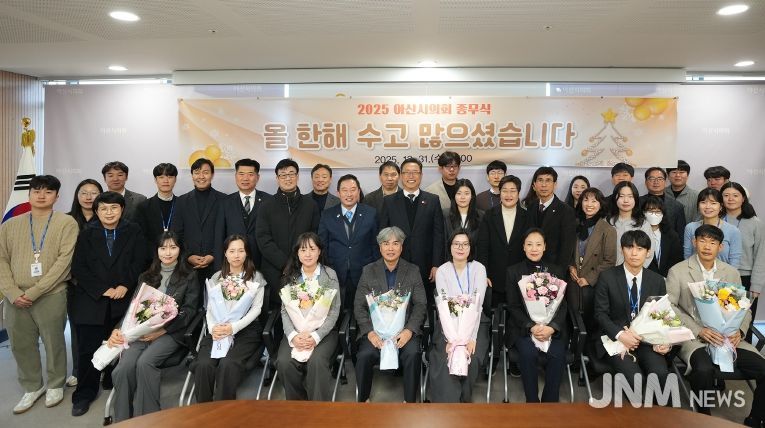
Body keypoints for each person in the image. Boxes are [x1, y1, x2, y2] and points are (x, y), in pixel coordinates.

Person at [666, 225, 765, 425]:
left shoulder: (731, 272)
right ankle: (703, 418)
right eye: (702, 240)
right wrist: (698, 330)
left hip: (729, 338)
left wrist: (740, 331)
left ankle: (755, 419)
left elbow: (744, 309)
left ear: (721, 247)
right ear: (694, 242)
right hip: (695, 338)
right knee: (703, 370)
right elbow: (669, 307)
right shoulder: (678, 271)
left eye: (712, 242)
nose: (707, 246)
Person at [0, 175, 78, 414]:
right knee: (21, 344)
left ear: (57, 196)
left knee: (54, 342)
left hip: (51, 293)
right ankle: (32, 386)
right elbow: (1, 259)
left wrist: (34, 292)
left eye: (48, 191)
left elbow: (64, 262)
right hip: (15, 296)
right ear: (29, 194)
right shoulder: (10, 224)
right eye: (36, 191)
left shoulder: (66, 223)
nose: (41, 195)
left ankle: (55, 384)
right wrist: (12, 292)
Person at [70, 191, 149, 416]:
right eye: (103, 208)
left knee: (120, 345)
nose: (109, 212)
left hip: (123, 297)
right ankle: (84, 394)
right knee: (88, 350)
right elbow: (79, 268)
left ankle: (111, 380)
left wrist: (125, 284)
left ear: (122, 210)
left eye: (114, 208)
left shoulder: (133, 230)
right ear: (96, 211)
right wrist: (102, 290)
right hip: (92, 298)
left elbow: (140, 260)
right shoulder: (87, 233)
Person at [110, 231, 199, 422]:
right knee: (123, 368)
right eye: (163, 248)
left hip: (170, 333)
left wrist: (162, 330)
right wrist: (118, 329)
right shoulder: (146, 276)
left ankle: (149, 419)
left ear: (180, 250)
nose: (168, 252)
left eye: (173, 247)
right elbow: (133, 308)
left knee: (145, 362)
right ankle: (122, 421)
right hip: (140, 332)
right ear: (157, 251)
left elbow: (189, 311)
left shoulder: (189, 276)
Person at [353, 226, 427, 403]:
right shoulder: (368, 271)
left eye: (395, 243)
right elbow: (359, 305)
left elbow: (420, 304)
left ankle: (409, 402)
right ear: (380, 247)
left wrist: (409, 330)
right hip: (376, 332)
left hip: (404, 332)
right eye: (386, 244)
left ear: (401, 247)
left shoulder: (413, 271)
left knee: (413, 354)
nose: (390, 248)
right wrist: (369, 332)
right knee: (364, 355)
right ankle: (362, 401)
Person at [594, 230, 670, 394]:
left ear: (648, 252)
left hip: (646, 341)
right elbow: (600, 314)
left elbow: (662, 316)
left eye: (640, 249)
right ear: (622, 250)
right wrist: (621, 335)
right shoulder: (607, 277)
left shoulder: (657, 280)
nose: (634, 253)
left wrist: (664, 341)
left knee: (660, 374)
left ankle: (657, 410)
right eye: (629, 247)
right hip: (615, 339)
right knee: (635, 379)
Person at [195, 235, 266, 402]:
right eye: (232, 251)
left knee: (228, 364)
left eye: (241, 251)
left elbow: (256, 309)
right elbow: (210, 308)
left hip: (246, 331)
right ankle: (202, 411)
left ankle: (224, 412)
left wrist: (233, 328)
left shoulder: (256, 277)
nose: (236, 255)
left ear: (247, 253)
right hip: (218, 329)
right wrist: (213, 328)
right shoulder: (216, 277)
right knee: (203, 365)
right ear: (225, 254)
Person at [276, 232, 341, 401]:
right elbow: (285, 310)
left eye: (312, 249)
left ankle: (318, 410)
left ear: (319, 251)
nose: (308, 254)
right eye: (303, 250)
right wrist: (293, 335)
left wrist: (316, 336)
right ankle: (299, 405)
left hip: (323, 333)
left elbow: (334, 311)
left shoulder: (329, 275)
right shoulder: (291, 276)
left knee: (317, 362)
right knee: (284, 362)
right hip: (296, 332)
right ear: (297, 253)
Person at [506, 228, 568, 402]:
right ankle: (532, 402)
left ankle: (550, 403)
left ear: (545, 247)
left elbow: (563, 306)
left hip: (550, 329)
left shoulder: (556, 271)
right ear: (523, 247)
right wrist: (531, 326)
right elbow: (513, 306)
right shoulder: (513, 271)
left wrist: (552, 328)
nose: (534, 248)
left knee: (557, 353)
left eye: (538, 244)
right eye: (530, 244)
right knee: (528, 353)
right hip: (523, 329)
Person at [429, 230, 488, 403]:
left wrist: (472, 338)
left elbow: (478, 305)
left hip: (476, 324)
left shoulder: (479, 269)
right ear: (450, 247)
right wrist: (453, 339)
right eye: (456, 244)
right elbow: (444, 307)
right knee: (446, 356)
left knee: (472, 357)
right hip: (448, 325)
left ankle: (464, 402)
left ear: (471, 247)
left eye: (465, 244)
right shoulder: (442, 271)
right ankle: (448, 406)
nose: (460, 248)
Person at [256, 158, 321, 309]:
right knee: (276, 313)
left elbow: (315, 236)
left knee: (305, 310)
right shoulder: (266, 205)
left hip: (304, 268)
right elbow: (263, 238)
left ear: (297, 176)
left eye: (291, 174)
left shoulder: (310, 204)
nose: (288, 178)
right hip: (274, 270)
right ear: (277, 178)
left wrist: (300, 261)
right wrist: (285, 263)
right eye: (283, 175)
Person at [379, 158, 444, 304]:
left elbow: (438, 235)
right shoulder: (389, 201)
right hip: (396, 263)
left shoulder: (432, 200)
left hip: (425, 266)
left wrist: (436, 265)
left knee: (424, 304)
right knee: (396, 304)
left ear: (421, 175)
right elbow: (382, 235)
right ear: (401, 176)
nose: (411, 176)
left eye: (415, 172)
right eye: (407, 172)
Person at [318, 174, 379, 309]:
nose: (349, 194)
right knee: (337, 313)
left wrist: (375, 271)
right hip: (336, 274)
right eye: (344, 190)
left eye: (353, 189)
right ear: (338, 193)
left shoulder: (370, 213)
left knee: (363, 313)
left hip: (364, 274)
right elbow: (322, 246)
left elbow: (375, 245)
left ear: (358, 191)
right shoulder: (327, 215)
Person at [65, 178, 103, 387]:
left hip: (102, 285)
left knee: (102, 329)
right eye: (84, 193)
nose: (88, 197)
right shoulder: (67, 220)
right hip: (75, 284)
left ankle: (102, 367)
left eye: (93, 193)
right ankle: (78, 370)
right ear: (77, 196)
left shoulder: (107, 218)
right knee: (78, 330)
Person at [172, 158, 227, 299]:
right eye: (197, 172)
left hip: (217, 264)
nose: (201, 176)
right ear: (192, 175)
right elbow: (176, 234)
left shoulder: (224, 200)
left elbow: (227, 233)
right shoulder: (181, 201)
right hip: (188, 266)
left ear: (212, 175)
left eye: (205, 172)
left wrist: (213, 255)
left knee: (216, 304)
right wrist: (188, 256)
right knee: (189, 304)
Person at [568, 187, 616, 336]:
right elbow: (567, 251)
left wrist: (588, 279)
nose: (589, 204)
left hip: (595, 282)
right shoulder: (574, 224)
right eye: (586, 200)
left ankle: (587, 344)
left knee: (590, 319)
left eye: (594, 201)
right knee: (571, 315)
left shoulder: (608, 230)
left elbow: (609, 261)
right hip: (573, 278)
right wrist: (570, 266)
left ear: (601, 204)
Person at [477, 175, 528, 308]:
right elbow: (482, 246)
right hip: (494, 278)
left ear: (518, 193)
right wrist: (483, 273)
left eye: (513, 191)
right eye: (505, 190)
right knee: (495, 315)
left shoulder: (527, 216)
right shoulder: (489, 215)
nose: (508, 195)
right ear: (500, 192)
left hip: (520, 278)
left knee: (517, 315)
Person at [215, 158, 272, 269]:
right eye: (241, 174)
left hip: (263, 263)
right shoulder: (225, 203)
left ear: (257, 177)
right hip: (233, 265)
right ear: (235, 176)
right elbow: (219, 237)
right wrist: (219, 268)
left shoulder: (269, 201)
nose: (245, 178)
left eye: (250, 174)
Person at [721, 181, 763, 329]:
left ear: (743, 198)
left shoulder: (756, 223)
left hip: (744, 278)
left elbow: (761, 255)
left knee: (742, 323)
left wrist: (756, 285)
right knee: (720, 321)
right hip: (718, 276)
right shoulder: (715, 219)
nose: (730, 199)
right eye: (726, 195)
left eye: (735, 195)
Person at [524, 166, 577, 267]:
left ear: (555, 184)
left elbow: (567, 247)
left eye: (548, 180)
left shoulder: (566, 211)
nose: (544, 185)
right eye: (540, 180)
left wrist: (559, 271)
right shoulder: (531, 207)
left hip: (553, 268)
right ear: (534, 185)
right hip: (530, 266)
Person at [683, 188, 742, 268]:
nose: (708, 207)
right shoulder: (690, 228)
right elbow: (687, 257)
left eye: (713, 203)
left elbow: (735, 261)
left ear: (721, 206)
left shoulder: (733, 231)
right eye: (703, 202)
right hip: (695, 273)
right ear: (698, 205)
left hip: (723, 274)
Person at [608, 181, 654, 267]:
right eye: (621, 196)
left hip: (634, 271)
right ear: (615, 198)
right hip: (608, 272)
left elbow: (649, 252)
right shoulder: (606, 222)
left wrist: (634, 271)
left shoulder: (643, 224)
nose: (626, 200)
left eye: (630, 196)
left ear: (635, 199)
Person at [135, 163, 180, 249]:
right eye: (161, 177)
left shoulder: (183, 204)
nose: (166, 181)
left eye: (170, 177)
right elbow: (140, 237)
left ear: (175, 179)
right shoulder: (144, 207)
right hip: (151, 254)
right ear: (155, 180)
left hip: (178, 253)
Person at [642, 196, 684, 278]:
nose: (654, 215)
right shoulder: (638, 233)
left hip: (668, 278)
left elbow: (677, 259)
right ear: (643, 213)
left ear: (663, 214)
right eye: (650, 211)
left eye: (658, 212)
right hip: (644, 278)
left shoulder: (671, 235)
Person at [639, 167, 686, 238]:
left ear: (665, 182)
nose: (656, 182)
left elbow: (681, 233)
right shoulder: (637, 203)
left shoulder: (677, 206)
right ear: (646, 182)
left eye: (660, 179)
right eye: (652, 179)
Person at [444, 178, 483, 249]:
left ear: (472, 196)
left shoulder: (482, 216)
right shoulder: (444, 215)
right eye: (459, 193)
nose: (462, 197)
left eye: (466, 193)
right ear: (454, 196)